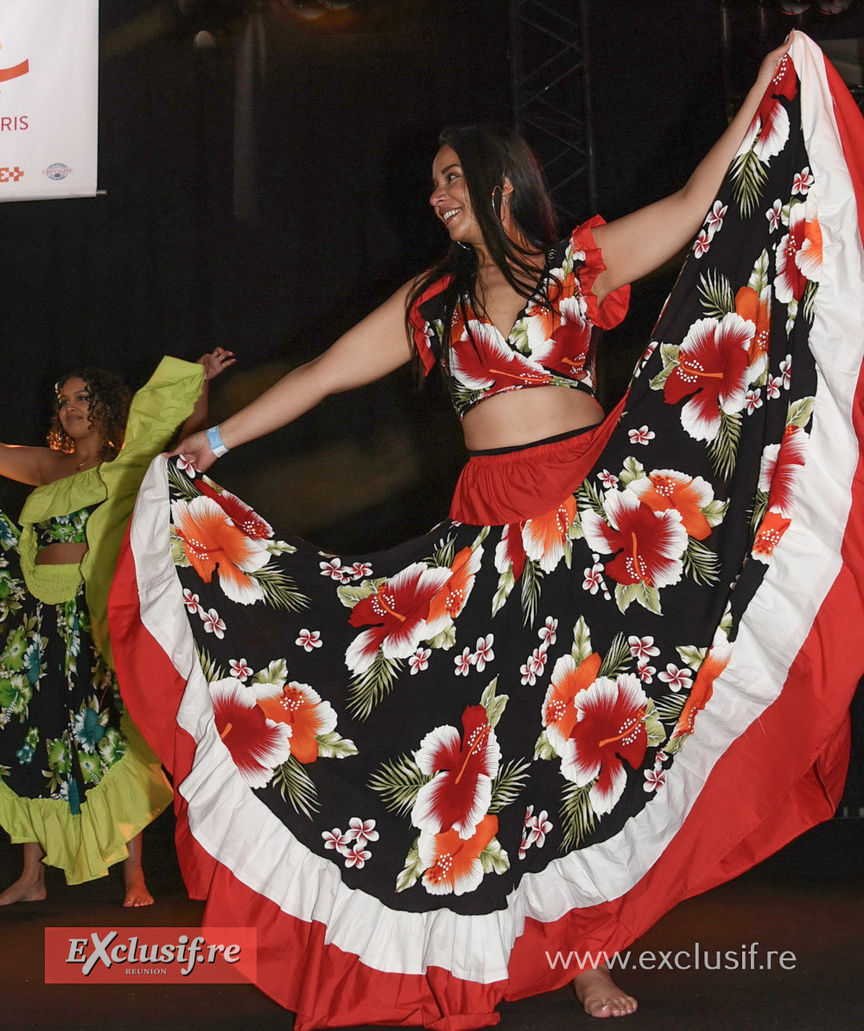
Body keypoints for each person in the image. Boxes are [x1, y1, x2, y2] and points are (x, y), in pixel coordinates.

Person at [110, 30, 864, 1026]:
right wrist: (219, 442)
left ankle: (588, 953)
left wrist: (764, 94)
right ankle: (480, 948)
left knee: (588, 752)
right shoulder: (431, 305)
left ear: (501, 179)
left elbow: (691, 207)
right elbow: (326, 371)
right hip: (492, 540)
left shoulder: (578, 266)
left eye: (450, 177)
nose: (436, 195)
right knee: (497, 757)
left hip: (597, 523)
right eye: (433, 183)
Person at [0, 349, 234, 907]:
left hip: (93, 615)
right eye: (63, 400)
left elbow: (187, 439)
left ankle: (135, 876)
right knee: (31, 736)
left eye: (82, 397)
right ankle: (32, 875)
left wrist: (197, 383)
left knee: (105, 732)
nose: (70, 408)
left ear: (105, 405)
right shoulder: (45, 467)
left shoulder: (126, 463)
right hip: (36, 619)